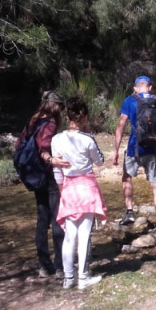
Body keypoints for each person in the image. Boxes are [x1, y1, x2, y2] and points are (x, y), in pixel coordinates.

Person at [51, 96, 107, 290]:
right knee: (84, 236)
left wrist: (62, 191)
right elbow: (100, 161)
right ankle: (83, 278)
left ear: (68, 116)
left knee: (69, 236)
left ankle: (68, 278)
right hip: (87, 189)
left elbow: (57, 170)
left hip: (68, 189)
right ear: (83, 117)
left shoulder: (56, 140)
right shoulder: (87, 139)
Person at [111, 75, 156, 231]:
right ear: (150, 87)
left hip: (135, 148)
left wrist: (115, 151)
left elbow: (121, 126)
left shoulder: (130, 101)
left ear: (135, 88)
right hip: (155, 149)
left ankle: (129, 212)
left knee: (127, 177)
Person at [15, 90, 70, 279]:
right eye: (61, 108)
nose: (61, 112)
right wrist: (50, 159)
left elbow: (18, 147)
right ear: (56, 106)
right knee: (57, 218)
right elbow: (44, 147)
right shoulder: (49, 124)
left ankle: (44, 266)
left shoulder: (32, 122)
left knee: (41, 219)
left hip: (35, 176)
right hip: (48, 176)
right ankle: (60, 265)